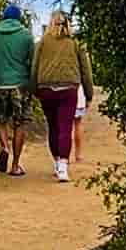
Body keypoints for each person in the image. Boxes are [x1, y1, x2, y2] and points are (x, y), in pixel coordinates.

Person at [32, 10, 93, 182]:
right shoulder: (76, 42)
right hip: (69, 88)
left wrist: (34, 89)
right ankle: (63, 166)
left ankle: (57, 161)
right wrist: (88, 93)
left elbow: (34, 67)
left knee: (53, 127)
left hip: (46, 89)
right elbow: (86, 70)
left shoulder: (42, 42)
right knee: (65, 128)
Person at [0, 0, 38, 176]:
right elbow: (32, 62)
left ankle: (5, 147)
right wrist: (31, 83)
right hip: (20, 85)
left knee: (1, 121)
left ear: (3, 17)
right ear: (19, 19)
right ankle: (15, 165)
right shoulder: (26, 36)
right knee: (20, 124)